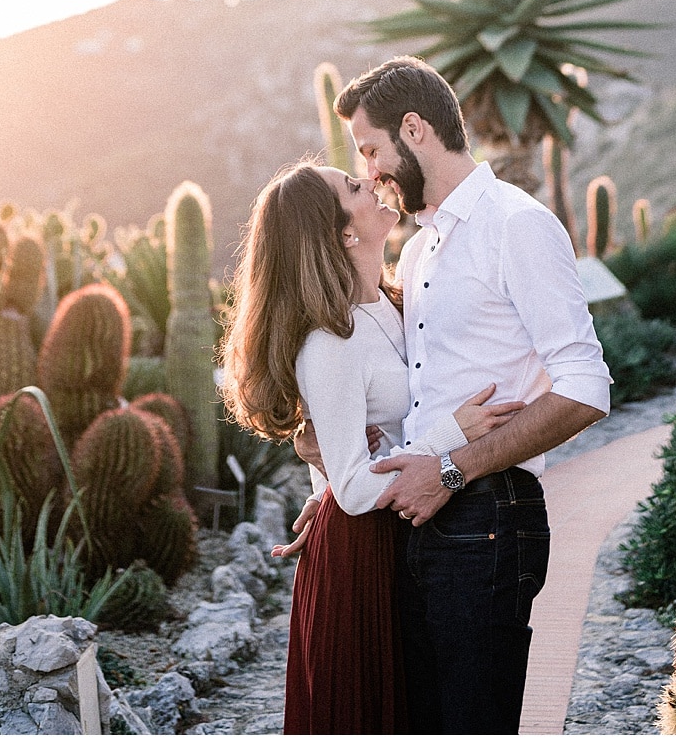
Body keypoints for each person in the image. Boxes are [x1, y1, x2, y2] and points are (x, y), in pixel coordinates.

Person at [320, 56, 613, 736]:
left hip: (490, 518)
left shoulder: (517, 224)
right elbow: (419, 400)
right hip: (426, 519)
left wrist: (453, 468)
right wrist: (333, 484)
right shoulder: (420, 252)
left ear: (415, 129)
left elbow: (586, 386)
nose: (368, 172)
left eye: (371, 148)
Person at [219, 160, 525, 735]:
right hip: (361, 557)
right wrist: (453, 434)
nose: (374, 183)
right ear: (343, 233)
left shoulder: (398, 304)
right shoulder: (327, 342)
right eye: (355, 188)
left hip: (411, 535)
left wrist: (327, 476)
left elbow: (359, 438)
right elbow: (356, 488)